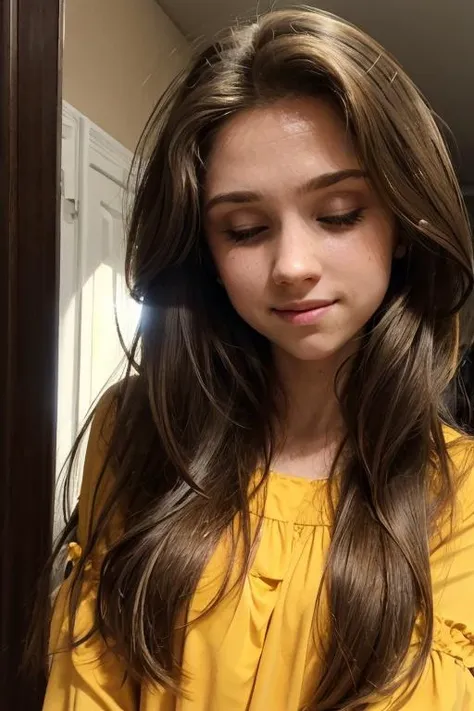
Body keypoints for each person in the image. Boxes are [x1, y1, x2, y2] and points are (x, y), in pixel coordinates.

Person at [36, 6, 474, 710]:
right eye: (244, 229)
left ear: (402, 223)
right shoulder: (142, 434)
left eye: (338, 214)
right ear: (205, 251)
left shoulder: (462, 500)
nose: (292, 265)